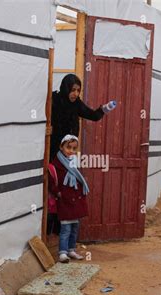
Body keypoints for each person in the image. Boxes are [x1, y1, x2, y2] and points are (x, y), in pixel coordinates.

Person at [50, 74, 115, 161]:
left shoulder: (76, 103)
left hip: (69, 149)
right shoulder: (54, 99)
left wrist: (104, 109)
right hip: (53, 147)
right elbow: (42, 117)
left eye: (78, 90)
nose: (76, 94)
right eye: (73, 90)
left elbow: (93, 115)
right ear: (66, 88)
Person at [48, 134, 89, 263]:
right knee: (65, 229)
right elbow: (51, 182)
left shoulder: (74, 162)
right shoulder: (56, 164)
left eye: (74, 148)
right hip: (65, 201)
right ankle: (63, 253)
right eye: (68, 147)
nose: (71, 151)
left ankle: (71, 250)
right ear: (61, 147)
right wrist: (58, 193)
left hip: (76, 200)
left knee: (74, 228)